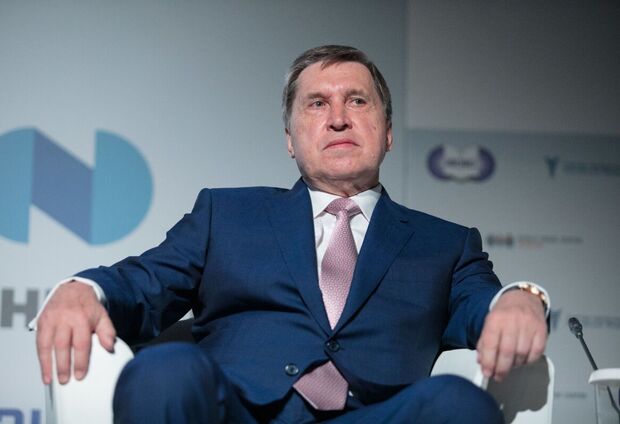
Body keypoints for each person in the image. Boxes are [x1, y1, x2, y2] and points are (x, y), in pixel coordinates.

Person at [33, 45, 549, 423]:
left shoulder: (446, 244)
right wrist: (85, 289)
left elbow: (487, 304)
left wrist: (522, 298)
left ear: (389, 133)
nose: (339, 119)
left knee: (457, 405)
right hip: (235, 412)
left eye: (358, 102)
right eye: (317, 104)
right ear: (290, 139)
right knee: (165, 370)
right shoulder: (226, 214)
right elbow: (144, 282)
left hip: (374, 415)